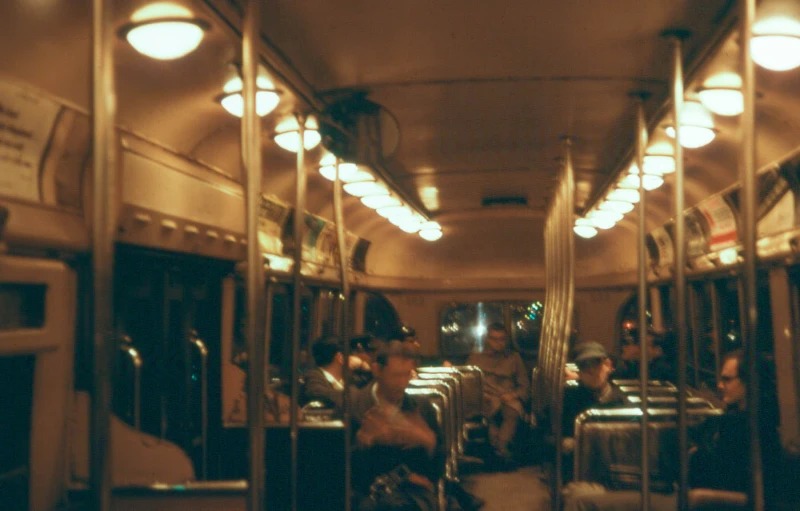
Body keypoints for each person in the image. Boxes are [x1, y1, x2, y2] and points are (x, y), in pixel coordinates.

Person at [563, 349, 778, 511]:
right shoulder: (729, 418)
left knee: (583, 500)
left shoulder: (755, 428)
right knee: (580, 490)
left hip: (697, 498)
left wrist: (697, 493)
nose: (720, 386)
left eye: (727, 379)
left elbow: (753, 492)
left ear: (750, 381)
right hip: (679, 485)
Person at [351, 340, 443, 511]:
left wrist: (428, 441)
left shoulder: (422, 408)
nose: (402, 383)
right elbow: (342, 468)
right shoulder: (354, 407)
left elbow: (438, 468)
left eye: (406, 375)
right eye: (395, 376)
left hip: (413, 494)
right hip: (367, 492)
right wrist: (366, 442)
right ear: (377, 370)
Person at [467, 322, 529, 463]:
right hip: (484, 396)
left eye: (502, 339)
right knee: (488, 413)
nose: (498, 343)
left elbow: (524, 385)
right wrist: (480, 394)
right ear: (487, 339)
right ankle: (499, 451)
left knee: (512, 413)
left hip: (507, 396)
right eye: (494, 339)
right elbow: (469, 383)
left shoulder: (514, 358)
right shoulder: (476, 357)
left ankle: (500, 448)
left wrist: (513, 395)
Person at [562, 341, 625, 440]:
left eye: (596, 363)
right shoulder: (568, 401)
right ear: (579, 372)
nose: (591, 370)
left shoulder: (622, 402)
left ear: (608, 365)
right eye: (584, 365)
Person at [303, 336, 366, 414]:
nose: (358, 359)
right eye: (353, 355)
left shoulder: (352, 379)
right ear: (340, 357)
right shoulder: (313, 376)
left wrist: (364, 367)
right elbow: (316, 392)